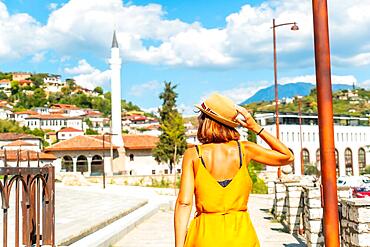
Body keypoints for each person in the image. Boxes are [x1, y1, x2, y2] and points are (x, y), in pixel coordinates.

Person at [174, 93, 294, 247]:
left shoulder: (193, 155)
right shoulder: (245, 149)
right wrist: (254, 127)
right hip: (241, 236)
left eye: (201, 116)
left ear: (206, 121)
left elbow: (184, 203)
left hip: (205, 236)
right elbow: (287, 156)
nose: (198, 120)